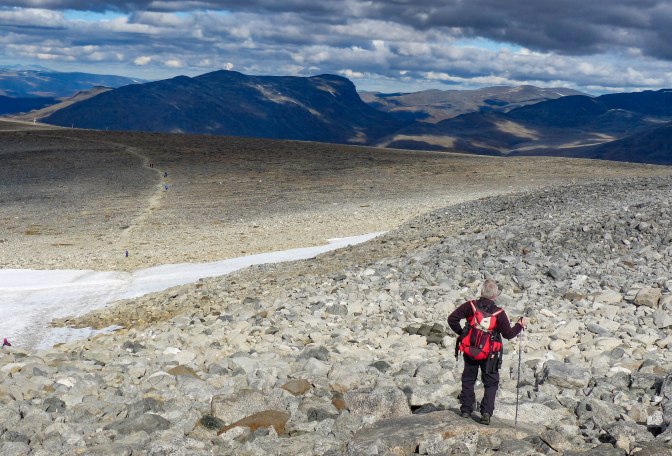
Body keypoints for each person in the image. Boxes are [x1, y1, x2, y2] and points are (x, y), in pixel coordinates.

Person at [448, 279, 524, 425]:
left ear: (481, 292)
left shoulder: (470, 306)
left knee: (468, 379)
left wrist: (463, 334)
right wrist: (519, 325)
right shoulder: (499, 313)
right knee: (491, 383)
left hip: (471, 349)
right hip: (490, 353)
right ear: (495, 296)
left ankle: (466, 410)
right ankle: (486, 413)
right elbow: (508, 334)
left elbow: (452, 319)